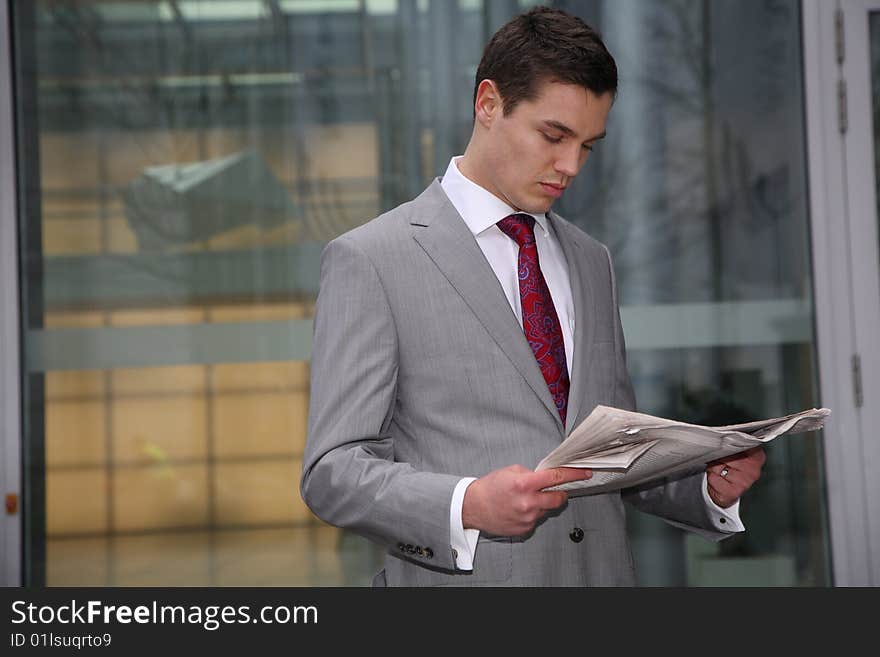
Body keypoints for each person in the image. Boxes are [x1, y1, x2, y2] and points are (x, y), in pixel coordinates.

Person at [300, 6, 765, 586]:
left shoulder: (592, 260)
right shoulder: (371, 259)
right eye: (554, 135)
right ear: (488, 104)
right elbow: (332, 472)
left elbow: (605, 450)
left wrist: (700, 488)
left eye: (588, 146)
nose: (570, 166)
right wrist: (465, 504)